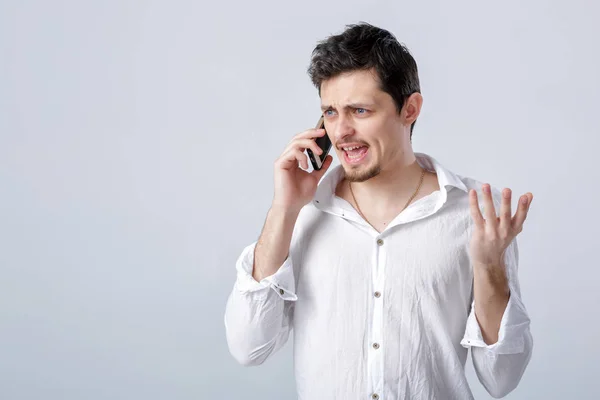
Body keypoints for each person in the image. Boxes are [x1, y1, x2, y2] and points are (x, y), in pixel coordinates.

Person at [224, 22, 534, 400]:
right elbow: (248, 348)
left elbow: (502, 379)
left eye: (359, 110)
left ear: (410, 108)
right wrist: (283, 210)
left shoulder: (475, 216)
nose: (341, 132)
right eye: (331, 113)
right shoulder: (302, 213)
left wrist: (489, 267)